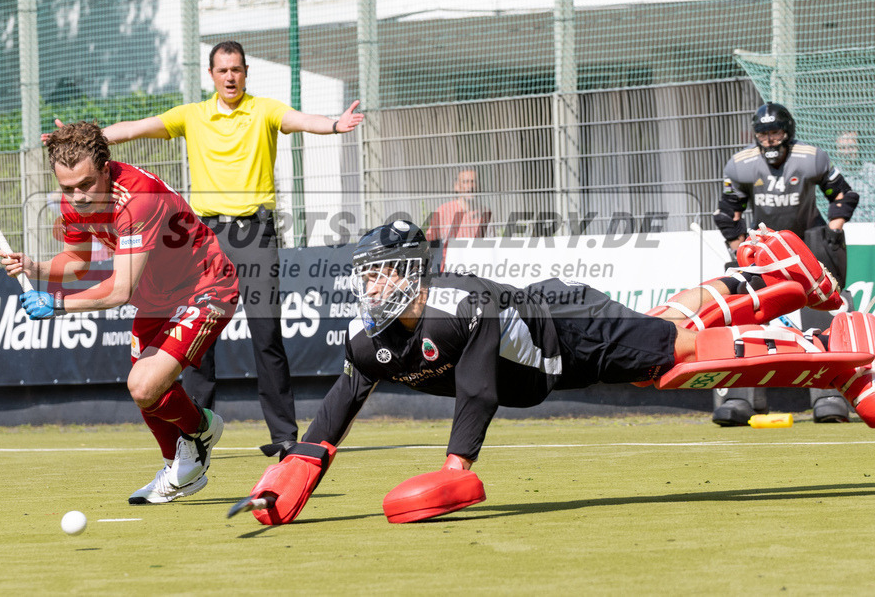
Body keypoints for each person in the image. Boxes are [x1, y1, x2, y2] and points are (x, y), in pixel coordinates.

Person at [235, 220, 873, 525]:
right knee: (665, 327)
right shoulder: (370, 341)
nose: (367, 287)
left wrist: (455, 471)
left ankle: (829, 347)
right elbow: (336, 412)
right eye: (363, 275)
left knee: (676, 355)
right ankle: (775, 270)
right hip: (550, 358)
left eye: (377, 273)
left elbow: (479, 391)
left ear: (410, 272)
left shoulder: (462, 309)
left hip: (571, 331)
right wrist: (293, 476)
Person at [47, 40, 364, 457]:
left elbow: (298, 119)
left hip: (256, 232)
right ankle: (198, 435)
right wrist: (73, 141)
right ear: (211, 76)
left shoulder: (263, 109)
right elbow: (131, 129)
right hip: (205, 232)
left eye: (237, 69)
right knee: (199, 343)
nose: (230, 76)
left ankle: (284, 436)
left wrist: (334, 125)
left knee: (266, 334)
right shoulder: (191, 115)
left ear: (245, 72)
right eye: (222, 70)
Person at [0, 121, 239, 504]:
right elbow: (77, 263)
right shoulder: (75, 200)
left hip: (206, 286)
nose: (77, 197)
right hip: (158, 294)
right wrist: (35, 268)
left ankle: (202, 432)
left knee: (143, 384)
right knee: (145, 390)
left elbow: (120, 289)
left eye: (85, 185)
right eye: (67, 188)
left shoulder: (137, 199)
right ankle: (179, 469)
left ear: (106, 166)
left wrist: (58, 304)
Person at [712, 102, 860, 425]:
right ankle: (741, 396)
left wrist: (832, 231)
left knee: (823, 312)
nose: (769, 141)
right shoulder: (741, 165)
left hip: (808, 247)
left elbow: (843, 196)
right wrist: (741, 250)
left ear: (787, 133)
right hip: (766, 250)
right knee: (744, 310)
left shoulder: (811, 158)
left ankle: (830, 395)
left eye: (775, 133)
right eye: (762, 135)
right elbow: (727, 214)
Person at [425, 168, 492, 242]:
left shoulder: (486, 213)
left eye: (473, 181)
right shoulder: (443, 211)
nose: (470, 186)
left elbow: (491, 242)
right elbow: (429, 242)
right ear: (456, 186)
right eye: (465, 182)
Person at [833, 130, 875, 222]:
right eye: (842, 148)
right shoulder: (833, 177)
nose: (847, 153)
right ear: (836, 151)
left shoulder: (872, 173)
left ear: (860, 148)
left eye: (851, 147)